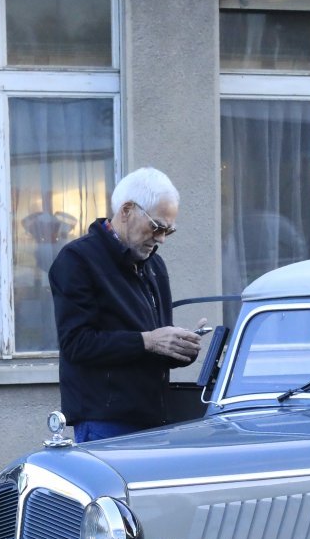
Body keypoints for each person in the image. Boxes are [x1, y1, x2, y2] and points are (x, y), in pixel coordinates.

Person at [49, 167, 203, 442]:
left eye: (169, 231)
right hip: (105, 422)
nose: (161, 238)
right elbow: (76, 344)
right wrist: (148, 341)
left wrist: (180, 346)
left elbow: (151, 344)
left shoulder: (154, 264)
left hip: (154, 418)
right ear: (127, 210)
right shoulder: (77, 260)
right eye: (157, 227)